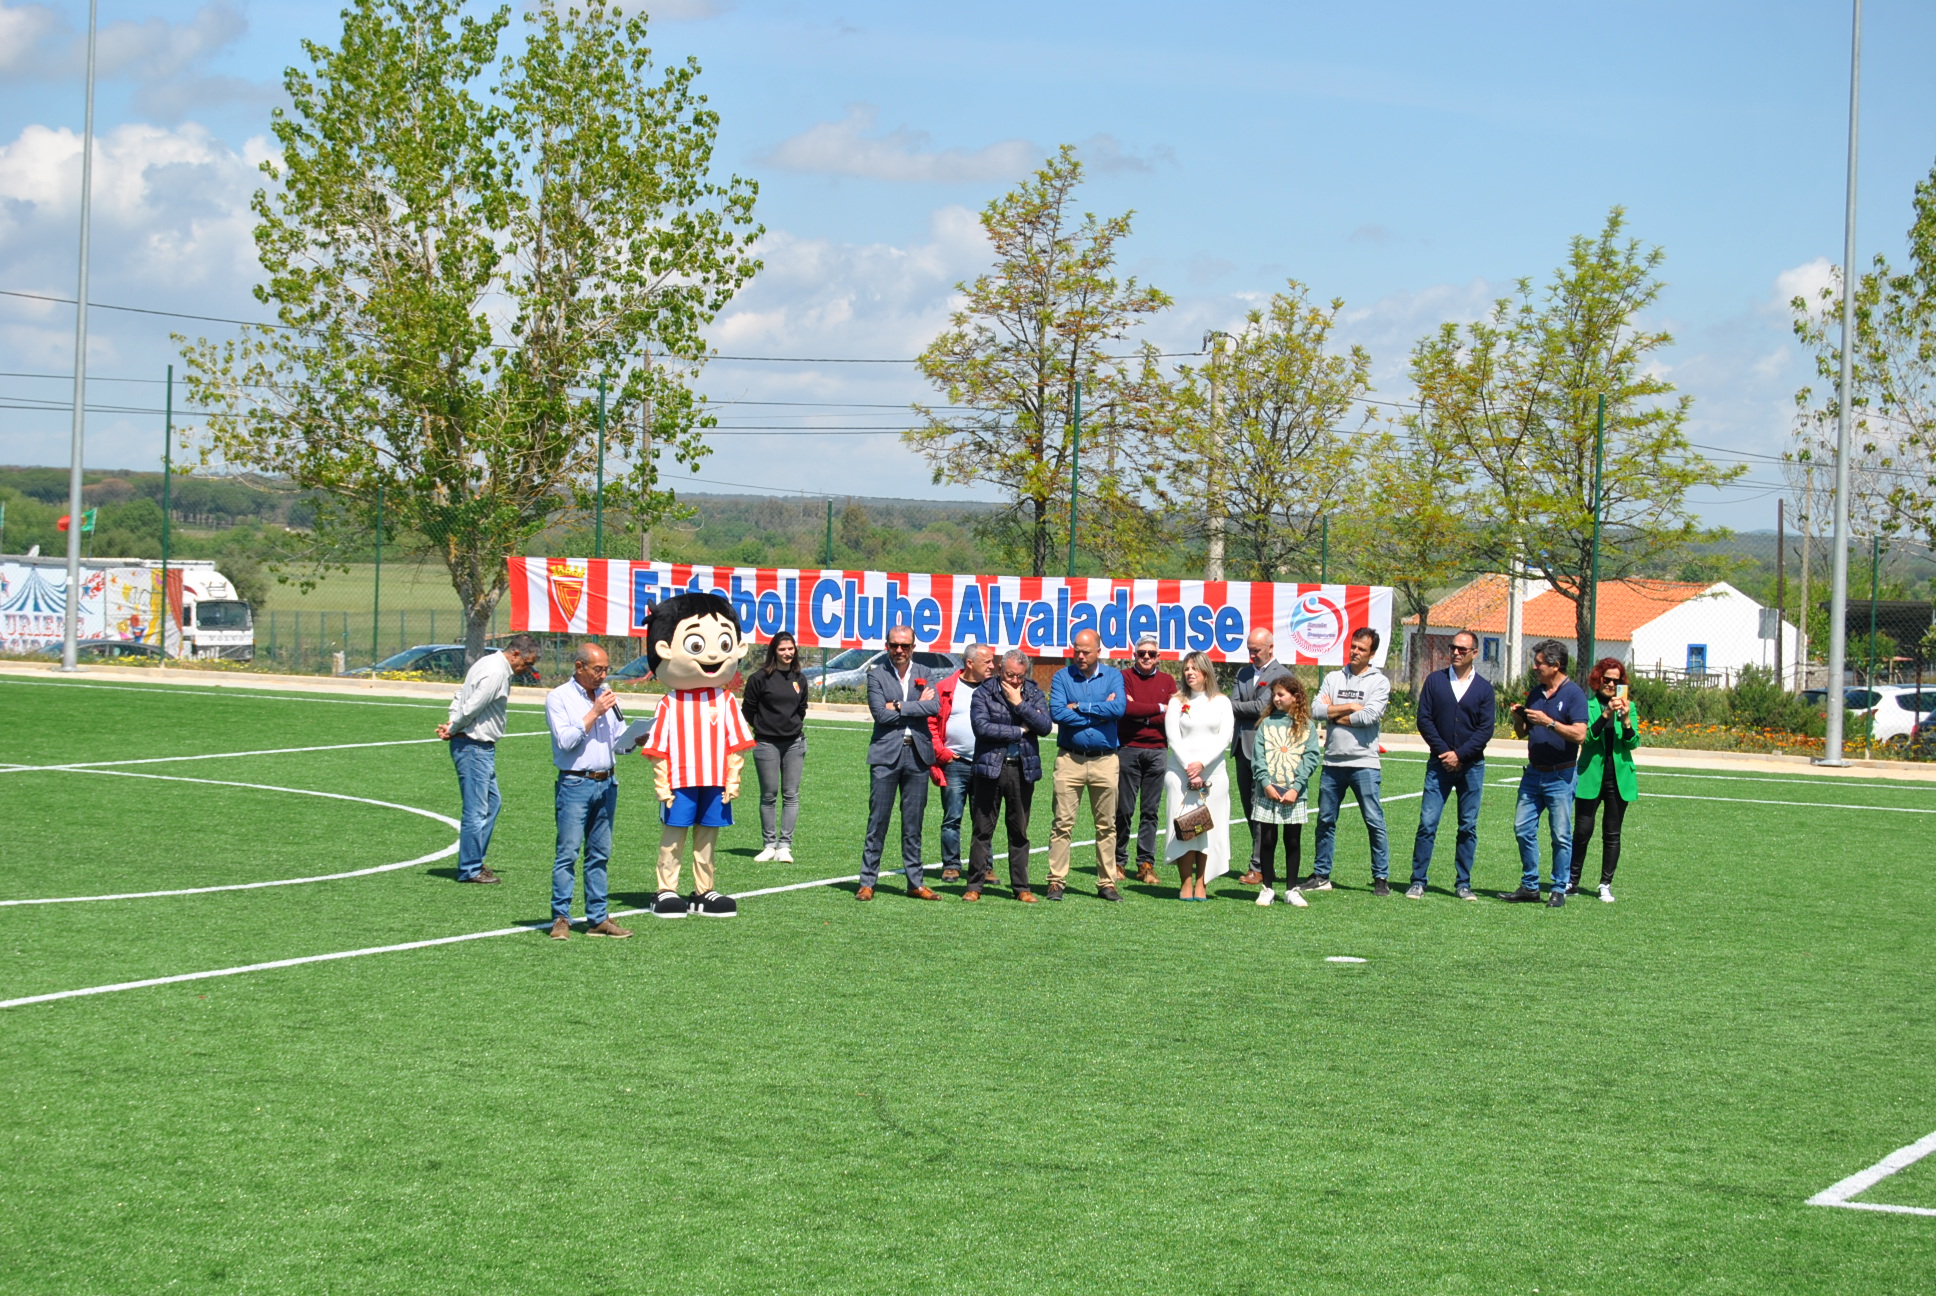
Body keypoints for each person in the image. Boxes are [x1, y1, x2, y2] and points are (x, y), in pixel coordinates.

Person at [638, 592, 754, 919]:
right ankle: (666, 890)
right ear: (665, 649)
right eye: (697, 645)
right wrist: (662, 784)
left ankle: (704, 892)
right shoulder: (670, 703)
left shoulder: (727, 701)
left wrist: (733, 779)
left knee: (707, 839)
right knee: (673, 838)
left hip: (715, 782)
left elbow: (736, 745)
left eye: (723, 643)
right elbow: (659, 748)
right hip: (680, 782)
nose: (714, 654)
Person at [436, 632, 540, 884]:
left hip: (476, 745)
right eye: (527, 662)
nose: (526, 668)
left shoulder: (486, 663)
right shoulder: (496, 672)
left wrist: (453, 720)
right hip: (474, 745)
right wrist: (454, 726)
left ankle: (474, 860)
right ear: (515, 653)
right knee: (477, 809)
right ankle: (470, 868)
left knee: (492, 803)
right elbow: (472, 706)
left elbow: (460, 696)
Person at [543, 643, 632, 939]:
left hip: (607, 783)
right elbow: (566, 740)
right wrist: (594, 712)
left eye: (606, 669)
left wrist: (636, 738)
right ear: (579, 667)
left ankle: (597, 917)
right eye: (598, 669)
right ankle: (561, 918)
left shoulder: (606, 695)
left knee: (600, 854)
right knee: (567, 853)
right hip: (575, 783)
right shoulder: (559, 698)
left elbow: (619, 738)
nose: (603, 675)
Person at [1499, 638, 1590, 908]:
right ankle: (1530, 886)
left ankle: (1559, 888)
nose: (1534, 668)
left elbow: (1580, 734)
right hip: (1533, 774)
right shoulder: (1536, 693)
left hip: (1560, 776)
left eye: (1538, 663)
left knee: (1560, 835)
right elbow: (1523, 733)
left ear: (1555, 666)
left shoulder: (1574, 694)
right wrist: (1520, 718)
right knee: (1522, 829)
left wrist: (1549, 722)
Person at [1408, 629, 1497, 901]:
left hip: (1471, 767)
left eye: (1461, 649)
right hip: (1439, 765)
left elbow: (1485, 730)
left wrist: (1461, 755)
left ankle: (1463, 883)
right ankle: (1418, 880)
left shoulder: (1484, 688)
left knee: (1467, 826)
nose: (1455, 652)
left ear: (1474, 653)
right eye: (1453, 648)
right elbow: (1424, 720)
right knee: (1427, 823)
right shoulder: (1434, 681)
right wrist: (1445, 752)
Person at [1304, 627, 1392, 894]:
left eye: (1361, 649)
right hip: (1332, 763)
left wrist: (1333, 714)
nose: (1355, 652)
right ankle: (1321, 875)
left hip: (1364, 762)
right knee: (1326, 821)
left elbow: (1369, 717)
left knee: (1373, 820)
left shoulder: (1379, 682)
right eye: (1353, 646)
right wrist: (1350, 707)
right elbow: (1314, 710)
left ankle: (1381, 877)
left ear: (1372, 654)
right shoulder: (1333, 677)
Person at [859, 625, 941, 901]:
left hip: (918, 755)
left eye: (905, 646)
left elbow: (933, 707)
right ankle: (867, 882)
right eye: (895, 645)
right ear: (887, 646)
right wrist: (913, 706)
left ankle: (915, 882)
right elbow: (881, 715)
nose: (899, 650)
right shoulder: (876, 674)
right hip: (885, 756)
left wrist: (898, 706)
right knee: (877, 821)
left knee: (913, 824)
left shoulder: (925, 673)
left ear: (913, 647)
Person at [965, 649, 1053, 902]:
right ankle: (974, 886)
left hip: (1022, 769)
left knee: (1019, 831)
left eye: (1019, 677)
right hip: (989, 768)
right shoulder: (983, 691)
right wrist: (1018, 730)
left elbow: (1045, 727)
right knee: (982, 830)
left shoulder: (1033, 692)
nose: (1014, 681)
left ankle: (1021, 888)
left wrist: (1019, 703)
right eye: (1010, 675)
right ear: (1001, 668)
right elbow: (982, 728)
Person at [1047, 628, 1127, 902]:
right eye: (1076, 651)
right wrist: (1099, 713)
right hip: (1069, 759)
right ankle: (1056, 881)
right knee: (1062, 823)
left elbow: (1118, 710)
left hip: (1106, 760)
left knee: (1106, 825)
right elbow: (1057, 713)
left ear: (1098, 651)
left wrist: (1080, 707)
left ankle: (1107, 882)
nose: (1080, 656)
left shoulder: (1114, 676)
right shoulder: (1061, 676)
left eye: (1086, 651)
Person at [1164, 651, 1234, 900]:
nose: (1190, 673)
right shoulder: (1176, 701)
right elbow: (1173, 737)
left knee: (1206, 829)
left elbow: (1224, 737)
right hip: (1180, 775)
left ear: (1206, 672)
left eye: (1195, 668)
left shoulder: (1222, 702)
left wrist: (1202, 764)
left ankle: (1202, 883)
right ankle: (1185, 883)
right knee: (1185, 829)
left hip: (1213, 774)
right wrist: (1189, 768)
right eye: (1186, 669)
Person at [1570, 657, 1640, 903]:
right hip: (1590, 775)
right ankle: (1572, 880)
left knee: (1612, 833)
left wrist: (1626, 719)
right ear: (1597, 680)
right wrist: (1606, 712)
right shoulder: (1586, 706)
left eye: (1616, 680)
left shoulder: (1629, 708)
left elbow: (1633, 742)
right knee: (1582, 831)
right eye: (1606, 679)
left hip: (1619, 779)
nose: (1611, 684)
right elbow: (1587, 739)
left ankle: (1605, 884)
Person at [1249, 675, 1320, 907]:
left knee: (1292, 840)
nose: (1276, 698)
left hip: (1293, 795)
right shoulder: (1266, 724)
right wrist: (1266, 784)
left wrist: (1296, 788)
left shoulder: (1306, 725)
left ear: (1295, 697)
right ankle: (1267, 887)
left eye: (1281, 694)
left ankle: (1291, 889)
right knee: (1267, 840)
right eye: (1274, 695)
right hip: (1267, 792)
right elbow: (1258, 758)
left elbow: (1311, 757)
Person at [928, 643, 997, 882]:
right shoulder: (946, 687)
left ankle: (985, 866)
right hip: (955, 763)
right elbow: (931, 724)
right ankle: (951, 865)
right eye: (987, 661)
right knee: (952, 817)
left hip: (985, 763)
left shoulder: (995, 688)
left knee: (984, 818)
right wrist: (942, 753)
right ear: (970, 663)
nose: (992, 666)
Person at [1230, 627, 1293, 885]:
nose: (1251, 655)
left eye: (1256, 650)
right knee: (1249, 808)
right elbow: (1235, 704)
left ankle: (1258, 866)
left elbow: (1262, 707)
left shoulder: (1282, 675)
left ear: (1270, 647)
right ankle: (1263, 862)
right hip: (1241, 748)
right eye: (1249, 650)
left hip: (1266, 750)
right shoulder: (1243, 673)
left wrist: (1236, 707)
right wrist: (1239, 707)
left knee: (1261, 809)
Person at [741, 631, 810, 863]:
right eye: (782, 649)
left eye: (791, 649)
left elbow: (802, 709)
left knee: (791, 795)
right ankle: (769, 845)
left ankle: (785, 846)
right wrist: (763, 728)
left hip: (794, 744)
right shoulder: (759, 678)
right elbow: (748, 710)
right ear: (774, 651)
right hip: (766, 744)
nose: (787, 653)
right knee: (768, 795)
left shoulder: (799, 678)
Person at [1115, 635, 1177, 886]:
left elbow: (1173, 715)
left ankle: (1145, 864)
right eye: (1142, 653)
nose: (1147, 658)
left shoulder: (1167, 680)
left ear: (1158, 657)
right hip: (1129, 748)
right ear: (1135, 655)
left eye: (1151, 654)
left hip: (1158, 751)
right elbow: (1126, 710)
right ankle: (1118, 862)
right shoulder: (1123, 678)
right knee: (1123, 809)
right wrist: (1161, 708)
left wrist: (1145, 713)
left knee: (1150, 812)